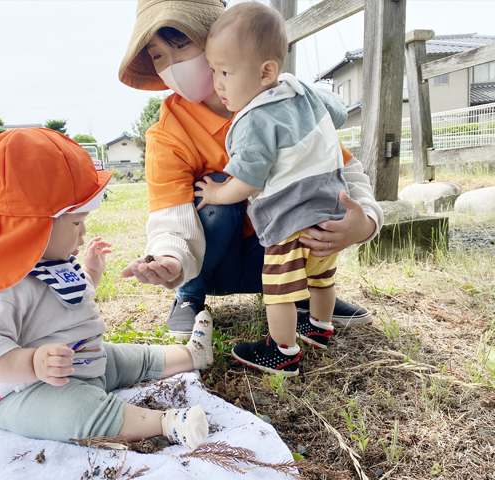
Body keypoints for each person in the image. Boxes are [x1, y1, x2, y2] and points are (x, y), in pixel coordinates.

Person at [118, 0, 384, 341]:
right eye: (157, 55)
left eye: (181, 43)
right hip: (212, 264)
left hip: (281, 253)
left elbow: (340, 171)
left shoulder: (289, 103)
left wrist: (366, 222)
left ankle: (306, 295)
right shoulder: (169, 132)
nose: (172, 65)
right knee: (217, 189)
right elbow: (170, 215)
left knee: (307, 192)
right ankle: (189, 296)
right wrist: (171, 258)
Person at [0, 127, 214, 448]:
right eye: (76, 222)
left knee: (133, 358)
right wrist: (33, 364)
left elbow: (71, 298)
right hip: (27, 391)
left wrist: (91, 271)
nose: (83, 232)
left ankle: (193, 355)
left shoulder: (53, 259)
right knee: (81, 411)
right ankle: (165, 423)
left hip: (85, 361)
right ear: (34, 227)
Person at [194, 2, 346, 375]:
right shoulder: (304, 92)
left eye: (226, 72)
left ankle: (282, 351)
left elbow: (247, 181)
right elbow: (339, 112)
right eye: (213, 71)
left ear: (266, 72)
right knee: (321, 277)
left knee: (280, 290)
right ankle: (320, 328)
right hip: (330, 214)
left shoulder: (254, 120)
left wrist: (215, 194)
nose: (217, 84)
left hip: (288, 221)